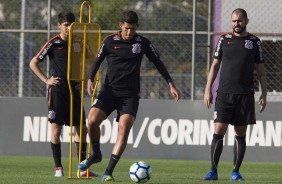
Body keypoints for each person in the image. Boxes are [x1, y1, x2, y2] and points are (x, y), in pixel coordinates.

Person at [77, 10, 180, 182]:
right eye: (126, 29)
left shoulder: (143, 43)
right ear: (120, 26)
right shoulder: (110, 41)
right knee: (92, 121)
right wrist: (89, 79)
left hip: (130, 96)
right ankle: (96, 155)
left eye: (132, 29)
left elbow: (158, 62)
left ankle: (108, 171)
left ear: (136, 27)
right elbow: (97, 60)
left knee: (123, 128)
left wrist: (170, 84)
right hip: (108, 92)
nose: (129, 32)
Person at [29, 11, 97, 177]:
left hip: (74, 89)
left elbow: (91, 60)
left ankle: (82, 169)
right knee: (56, 129)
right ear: (59, 26)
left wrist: (85, 77)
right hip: (58, 90)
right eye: (66, 25)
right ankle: (58, 167)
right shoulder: (53, 43)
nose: (69, 28)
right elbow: (33, 62)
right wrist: (46, 80)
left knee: (81, 128)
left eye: (72, 25)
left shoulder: (79, 42)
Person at [203, 8, 267, 181]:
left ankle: (235, 171)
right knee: (219, 129)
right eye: (233, 21)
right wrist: (208, 88)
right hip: (224, 94)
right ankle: (213, 171)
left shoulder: (255, 42)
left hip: (245, 95)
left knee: (240, 133)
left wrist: (264, 93)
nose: (236, 24)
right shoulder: (224, 39)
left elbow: (261, 71)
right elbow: (215, 66)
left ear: (246, 21)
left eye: (239, 21)